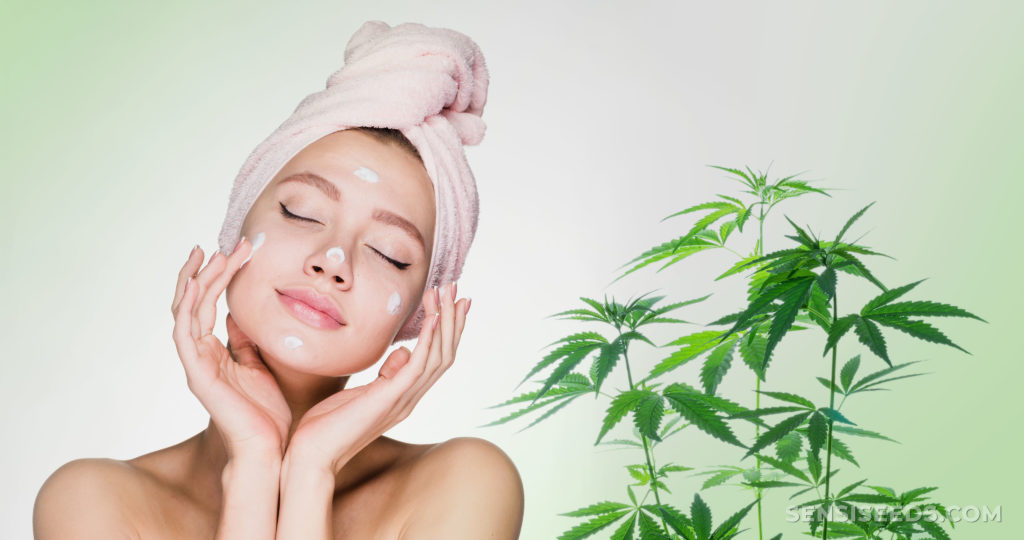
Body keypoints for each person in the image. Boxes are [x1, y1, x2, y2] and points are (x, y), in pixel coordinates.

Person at [33, 21, 524, 539]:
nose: (333, 260)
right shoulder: (92, 501)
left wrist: (312, 469)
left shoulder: (464, 485)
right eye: (301, 212)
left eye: (388, 252)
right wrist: (253, 463)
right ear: (236, 230)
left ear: (420, 314)